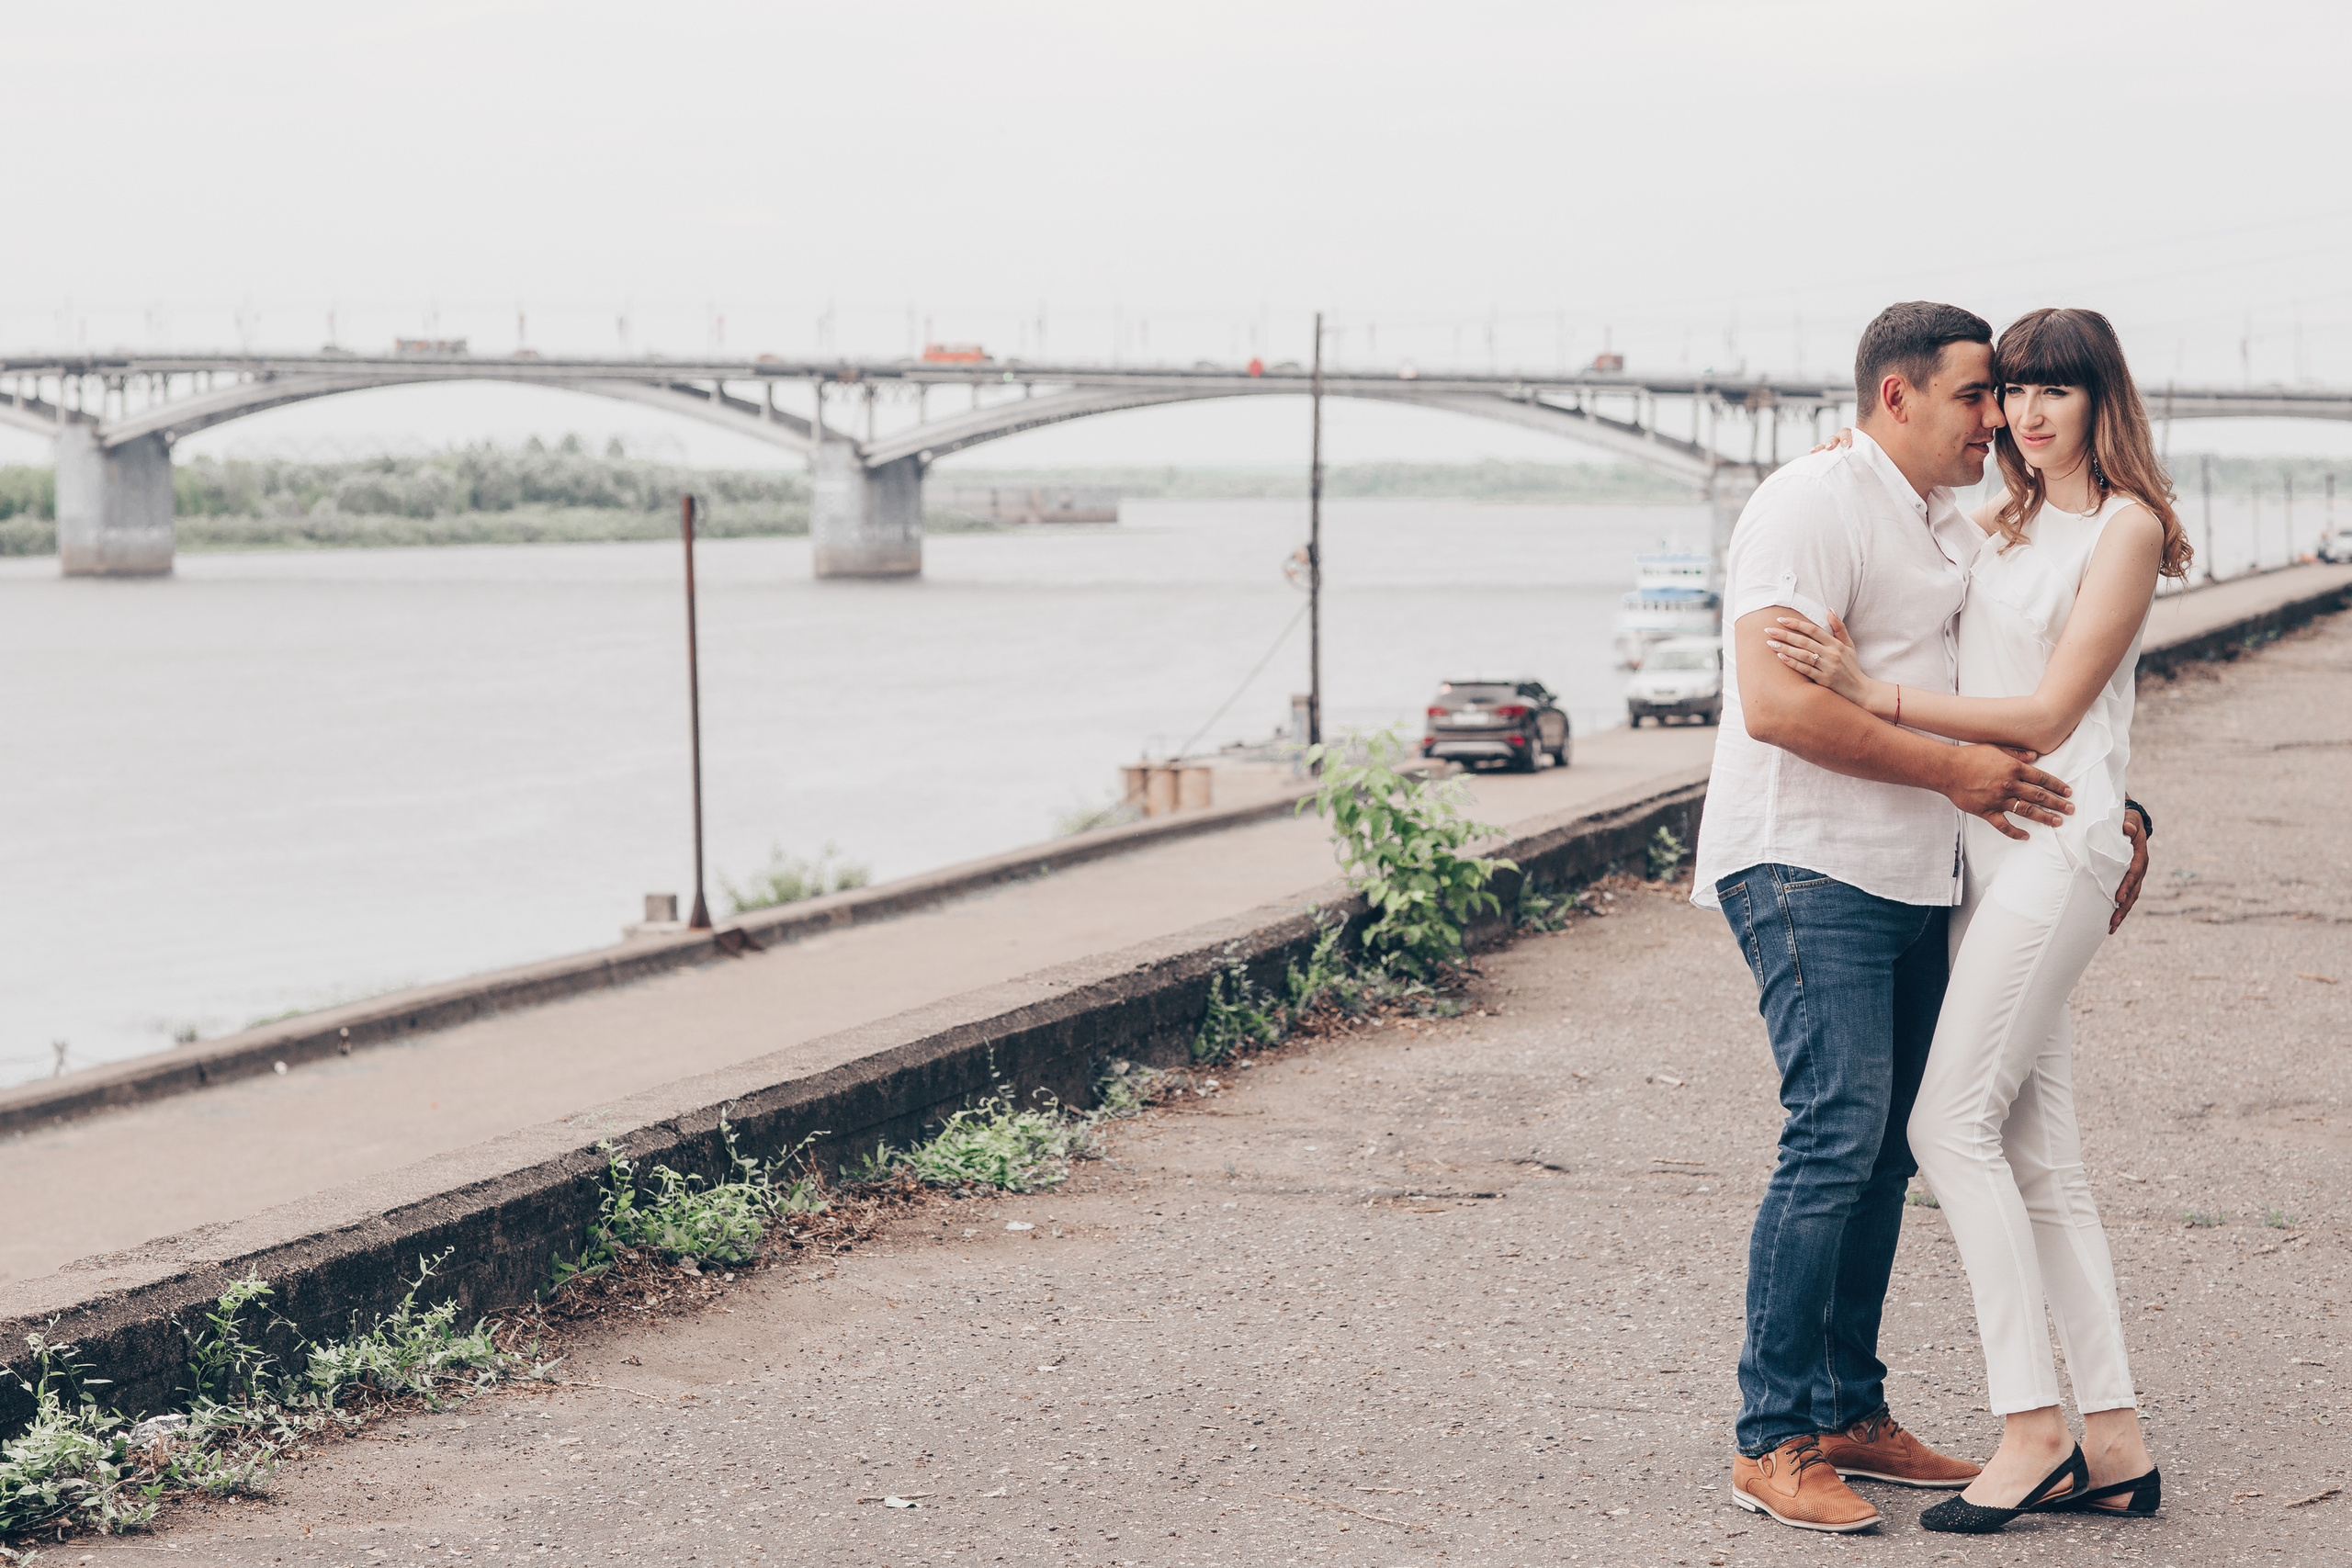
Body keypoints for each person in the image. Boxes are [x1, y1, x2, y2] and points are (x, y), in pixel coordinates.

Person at [1690, 301, 2151, 1536]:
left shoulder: (1962, 514)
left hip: (1930, 872)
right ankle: (1774, 1437)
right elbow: (1779, 710)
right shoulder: (1808, 506)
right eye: (1977, 396)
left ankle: (1849, 1407)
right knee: (1839, 1133)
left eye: (2019, 395)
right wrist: (1956, 774)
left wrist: (2110, 800)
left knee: (1892, 1149)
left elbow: (2033, 684)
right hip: (1808, 860)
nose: (1999, 417)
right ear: (1897, 396)